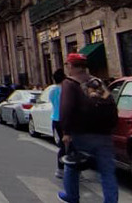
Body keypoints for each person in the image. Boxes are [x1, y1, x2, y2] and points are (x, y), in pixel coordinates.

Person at [58, 53, 118, 203]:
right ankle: (111, 201)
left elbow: (66, 109)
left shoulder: (70, 83)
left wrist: (65, 131)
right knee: (107, 171)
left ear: (71, 66)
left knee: (72, 165)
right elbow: (111, 105)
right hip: (104, 134)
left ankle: (71, 196)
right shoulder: (97, 82)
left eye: (67, 65)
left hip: (81, 133)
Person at [50, 68, 66, 179]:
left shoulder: (52, 90)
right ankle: (69, 169)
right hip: (64, 119)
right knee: (68, 145)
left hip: (55, 119)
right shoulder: (65, 90)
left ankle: (60, 169)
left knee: (62, 144)